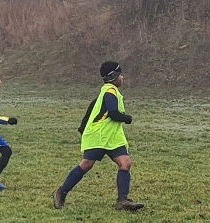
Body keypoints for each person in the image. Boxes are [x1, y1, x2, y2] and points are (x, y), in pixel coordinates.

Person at [53, 61, 143, 211]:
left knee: (125, 163)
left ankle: (122, 201)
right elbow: (114, 114)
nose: (123, 77)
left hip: (112, 137)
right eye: (120, 74)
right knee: (86, 164)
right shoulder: (109, 92)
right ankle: (60, 193)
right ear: (114, 76)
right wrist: (127, 118)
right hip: (99, 136)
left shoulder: (109, 92)